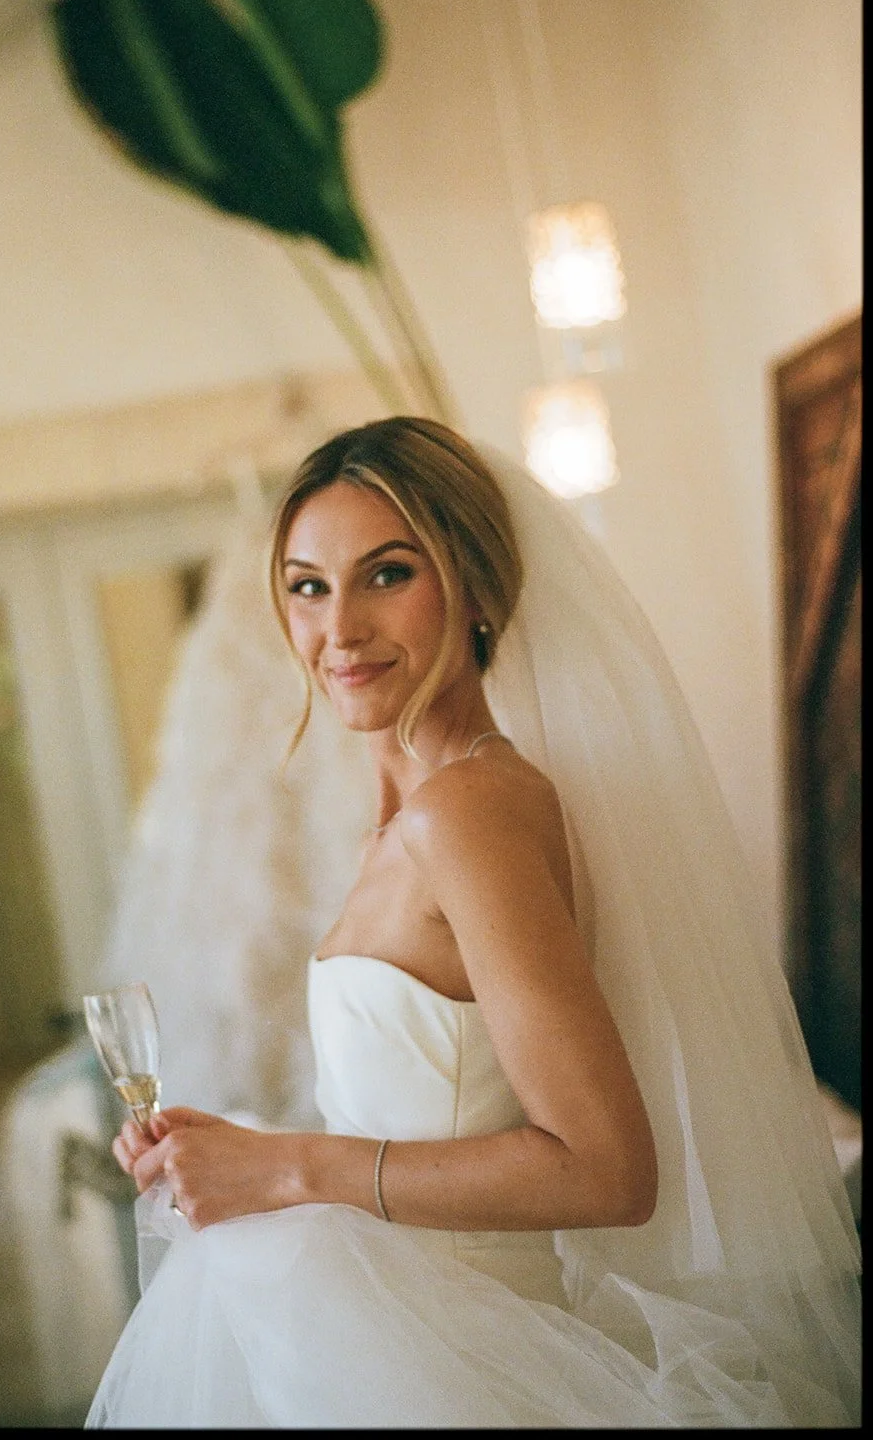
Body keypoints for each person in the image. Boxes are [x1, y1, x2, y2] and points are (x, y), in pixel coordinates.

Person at [86, 417, 860, 1428]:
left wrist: (288, 1165)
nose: (339, 628)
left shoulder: (468, 813)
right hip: (408, 1341)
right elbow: (442, 1106)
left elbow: (604, 1167)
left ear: (478, 586)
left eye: (386, 573)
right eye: (308, 584)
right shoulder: (412, 818)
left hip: (471, 1370)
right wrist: (240, 1151)